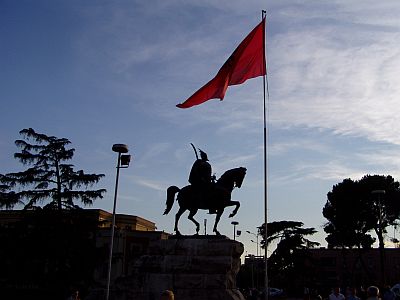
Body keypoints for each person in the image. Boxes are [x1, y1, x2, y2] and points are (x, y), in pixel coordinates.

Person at [188, 148, 214, 213]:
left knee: (214, 188)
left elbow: (208, 173)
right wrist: (200, 177)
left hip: (207, 180)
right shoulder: (198, 162)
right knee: (203, 189)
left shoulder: (208, 164)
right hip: (197, 180)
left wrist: (211, 178)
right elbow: (195, 171)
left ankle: (212, 206)